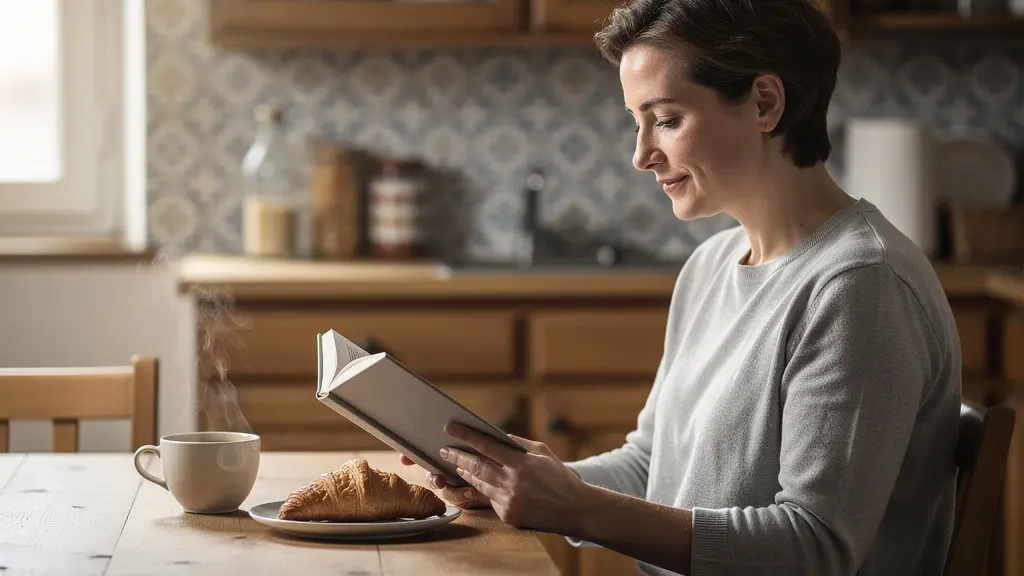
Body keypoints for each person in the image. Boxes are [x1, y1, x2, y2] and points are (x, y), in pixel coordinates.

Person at [401, 0, 962, 574]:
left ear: (765, 103)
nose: (641, 154)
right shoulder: (711, 265)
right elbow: (653, 467)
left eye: (666, 119)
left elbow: (815, 547)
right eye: (636, 122)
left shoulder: (859, 286)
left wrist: (576, 508)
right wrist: (517, 482)